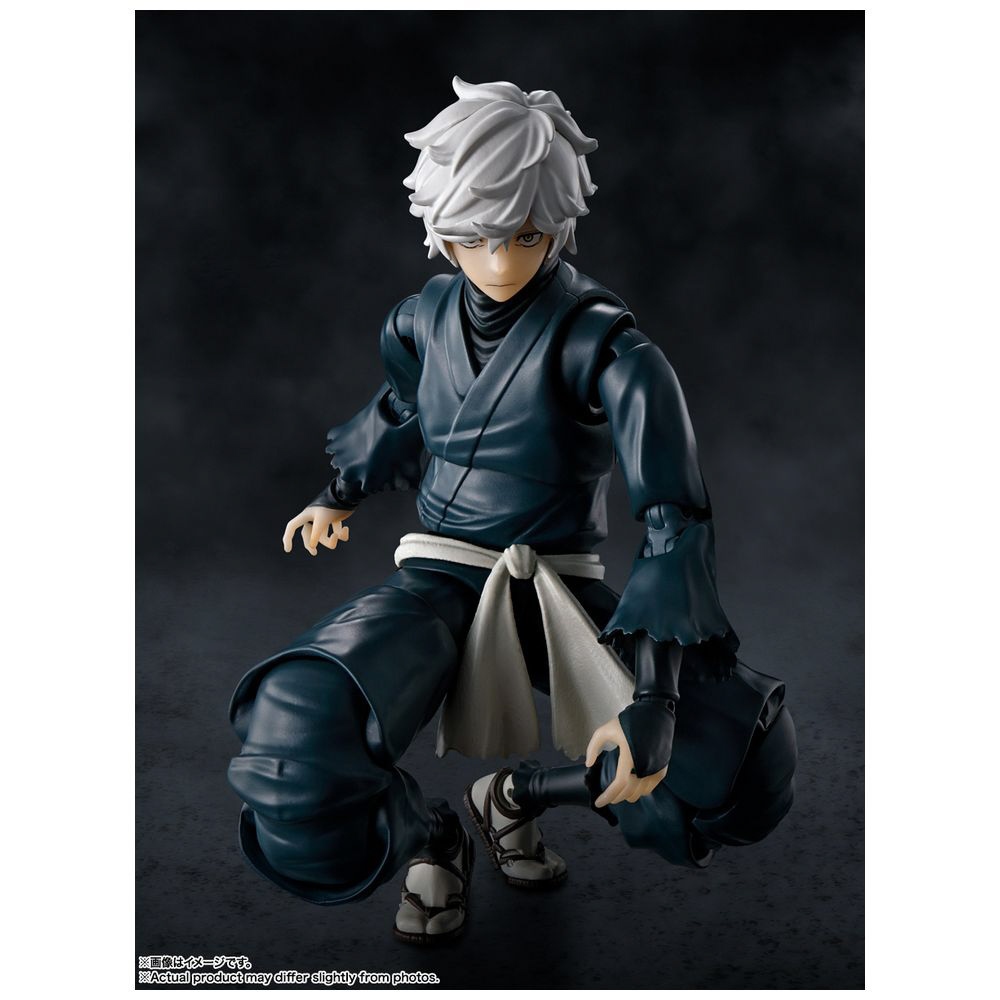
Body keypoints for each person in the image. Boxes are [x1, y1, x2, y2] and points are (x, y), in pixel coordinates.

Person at [227, 77, 797, 945]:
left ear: (558, 223)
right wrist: (337, 494)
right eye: (473, 236)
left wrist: (655, 699)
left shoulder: (608, 346)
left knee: (742, 762)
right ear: (440, 226)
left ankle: (518, 796)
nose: (499, 262)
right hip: (440, 574)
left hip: (556, 586)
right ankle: (433, 837)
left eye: (525, 235)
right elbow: (403, 408)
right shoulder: (417, 321)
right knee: (291, 737)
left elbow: (673, 520)